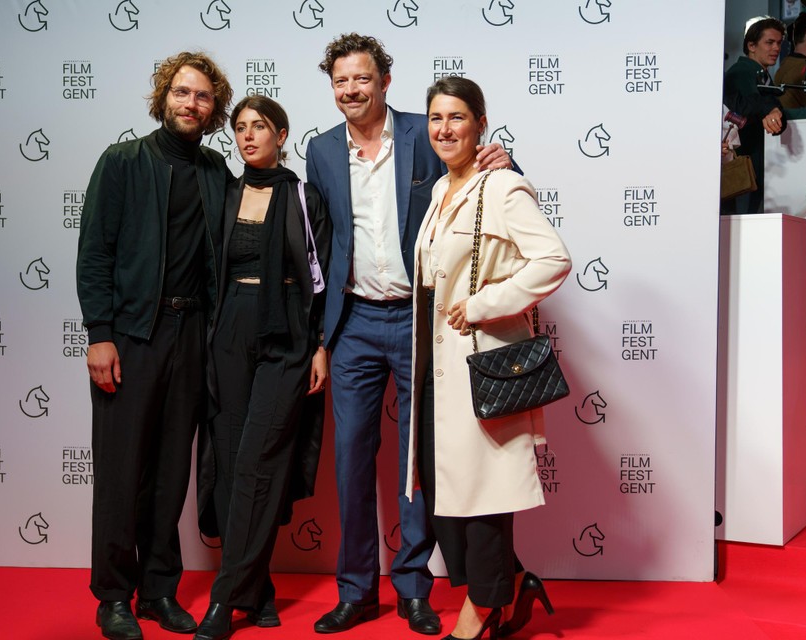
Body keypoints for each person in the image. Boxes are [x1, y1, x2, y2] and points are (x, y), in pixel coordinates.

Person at [305, 33, 512, 636]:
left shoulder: (427, 130)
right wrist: (320, 337)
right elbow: (322, 244)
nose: (351, 90)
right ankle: (355, 589)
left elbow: (492, 174)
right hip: (352, 323)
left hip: (422, 320)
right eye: (340, 81)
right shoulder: (319, 151)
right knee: (350, 461)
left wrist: (503, 158)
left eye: (361, 79)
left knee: (419, 460)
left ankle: (414, 588)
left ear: (385, 82)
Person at [407, 76, 571, 640]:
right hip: (437, 365)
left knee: (484, 495)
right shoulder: (438, 192)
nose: (444, 129)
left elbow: (553, 259)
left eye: (456, 117)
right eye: (435, 118)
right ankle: (515, 580)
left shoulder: (500, 187)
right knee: (447, 487)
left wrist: (483, 304)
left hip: (485, 362)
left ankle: (481, 609)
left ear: (480, 123)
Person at [76, 51, 233, 640]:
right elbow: (95, 254)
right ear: (163, 97)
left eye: (202, 96)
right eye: (181, 93)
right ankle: (113, 595)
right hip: (133, 337)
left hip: (193, 337)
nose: (190, 104)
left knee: (172, 473)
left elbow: (270, 205)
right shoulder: (122, 162)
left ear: (213, 107)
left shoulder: (218, 174)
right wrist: (100, 335)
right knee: (121, 472)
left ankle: (158, 591)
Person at [193, 95, 332, 640]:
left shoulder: (303, 196)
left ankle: (225, 599)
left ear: (281, 134)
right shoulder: (224, 193)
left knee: (259, 462)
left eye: (259, 127)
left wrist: (319, 343)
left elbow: (322, 273)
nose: (248, 136)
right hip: (228, 331)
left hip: (287, 335)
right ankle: (259, 589)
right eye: (240, 128)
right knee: (229, 464)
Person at [723, 17, 792, 213]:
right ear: (751, 45)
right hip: (741, 170)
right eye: (769, 42)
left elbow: (772, 107)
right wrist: (768, 109)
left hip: (757, 167)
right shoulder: (742, 71)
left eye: (779, 43)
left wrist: (773, 111)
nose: (776, 48)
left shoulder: (761, 74)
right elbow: (740, 108)